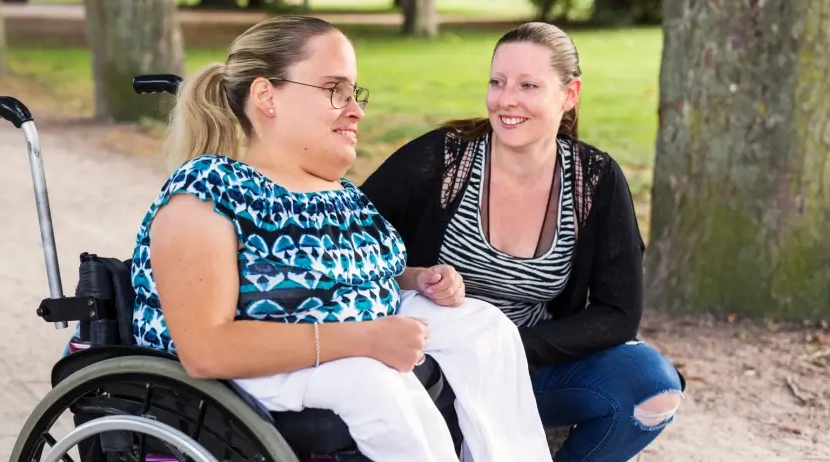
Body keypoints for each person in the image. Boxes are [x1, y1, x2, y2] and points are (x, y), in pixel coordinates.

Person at [128, 16, 553, 462]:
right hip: (255, 364)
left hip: (341, 327)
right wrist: (364, 339)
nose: (356, 110)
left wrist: (417, 279)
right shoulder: (206, 194)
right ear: (267, 95)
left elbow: (339, 272)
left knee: (485, 328)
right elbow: (206, 350)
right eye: (335, 90)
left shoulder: (335, 193)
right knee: (374, 382)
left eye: (355, 93)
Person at [359, 22, 686, 462]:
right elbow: (352, 243)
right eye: (497, 82)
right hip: (433, 370)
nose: (506, 99)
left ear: (569, 95)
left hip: (527, 367)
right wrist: (416, 278)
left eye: (528, 85)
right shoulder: (442, 159)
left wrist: (507, 347)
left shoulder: (594, 180)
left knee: (651, 387)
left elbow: (618, 314)